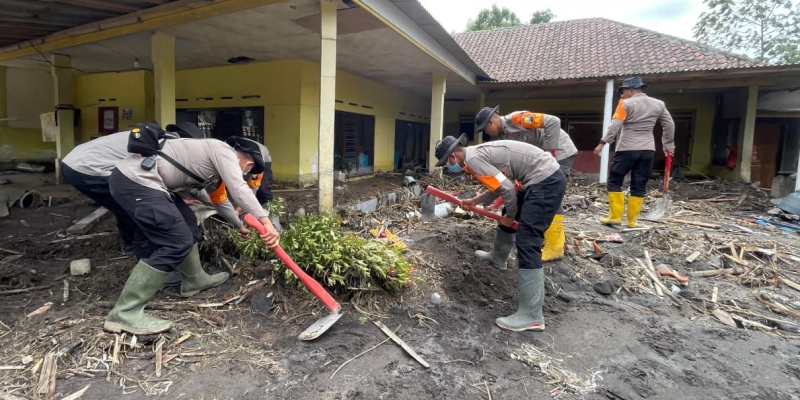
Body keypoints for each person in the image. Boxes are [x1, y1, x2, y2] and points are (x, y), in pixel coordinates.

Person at [104, 122, 279, 335]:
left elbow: (219, 201)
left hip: (147, 183)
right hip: (136, 182)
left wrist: (239, 224)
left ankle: (194, 280)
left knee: (187, 223)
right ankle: (125, 312)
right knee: (175, 242)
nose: (246, 171)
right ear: (244, 159)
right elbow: (239, 188)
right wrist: (266, 221)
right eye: (249, 166)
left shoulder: (211, 169)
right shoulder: (222, 150)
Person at [434, 134, 566, 332]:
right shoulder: (475, 156)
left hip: (545, 182)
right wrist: (476, 202)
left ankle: (532, 315)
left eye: (447, 162)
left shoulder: (473, 159)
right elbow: (499, 186)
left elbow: (506, 189)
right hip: (540, 178)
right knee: (508, 210)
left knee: (527, 239)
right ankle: (498, 257)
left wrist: (512, 216)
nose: (449, 166)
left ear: (453, 155)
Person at [61, 122, 203, 252]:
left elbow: (155, 175)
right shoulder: (169, 145)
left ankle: (130, 245)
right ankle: (144, 250)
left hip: (75, 161)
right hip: (87, 168)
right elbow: (152, 178)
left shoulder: (155, 136)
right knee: (138, 206)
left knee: (122, 205)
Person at [474, 106, 578, 263]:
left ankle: (555, 247)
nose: (487, 133)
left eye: (486, 129)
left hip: (560, 153)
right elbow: (509, 182)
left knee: (550, 195)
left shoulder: (517, 120)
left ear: (492, 121)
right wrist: (496, 203)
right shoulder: (503, 139)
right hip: (537, 164)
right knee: (527, 193)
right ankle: (503, 253)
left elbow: (553, 122)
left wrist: (549, 153)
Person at [594, 77, 675, 228]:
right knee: (639, 185)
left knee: (614, 181)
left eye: (623, 91)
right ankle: (632, 221)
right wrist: (668, 144)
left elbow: (615, 126)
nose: (622, 95)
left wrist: (603, 143)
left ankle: (615, 217)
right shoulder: (659, 104)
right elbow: (669, 125)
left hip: (627, 148)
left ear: (631, 90)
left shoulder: (625, 104)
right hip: (648, 149)